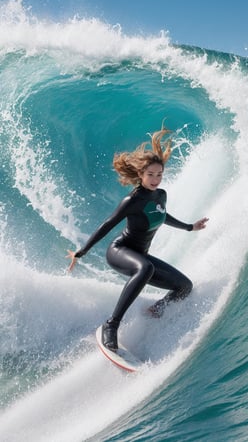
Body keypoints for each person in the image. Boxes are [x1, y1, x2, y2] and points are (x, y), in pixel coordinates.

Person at [67, 127, 208, 351]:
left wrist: (190, 227)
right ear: (141, 175)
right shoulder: (131, 200)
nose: (155, 179)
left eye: (159, 174)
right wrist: (82, 252)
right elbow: (107, 225)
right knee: (145, 269)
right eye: (150, 175)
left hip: (141, 255)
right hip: (119, 252)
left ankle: (156, 310)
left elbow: (161, 215)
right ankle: (111, 325)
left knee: (184, 287)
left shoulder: (161, 195)